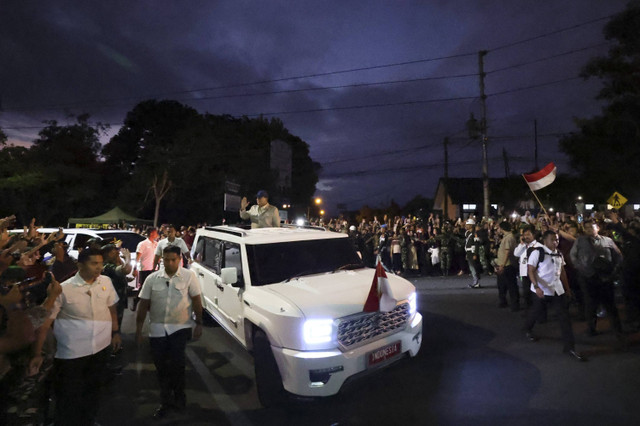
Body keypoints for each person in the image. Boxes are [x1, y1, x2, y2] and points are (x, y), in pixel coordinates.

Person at [30, 247, 122, 425]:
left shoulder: (106, 281)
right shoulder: (64, 289)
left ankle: (89, 420)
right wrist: (37, 353)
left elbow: (111, 308)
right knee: (69, 397)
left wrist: (115, 332)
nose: (99, 268)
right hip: (72, 355)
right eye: (94, 263)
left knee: (93, 392)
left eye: (101, 263)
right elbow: (45, 323)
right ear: (80, 265)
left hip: (100, 349)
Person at [135, 245, 203, 419]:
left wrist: (199, 324)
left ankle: (180, 400)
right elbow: (143, 304)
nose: (170, 263)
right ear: (162, 259)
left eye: (173, 259)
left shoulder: (189, 277)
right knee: (161, 368)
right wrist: (139, 329)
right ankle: (165, 402)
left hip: (180, 328)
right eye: (166, 259)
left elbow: (196, 300)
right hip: (157, 330)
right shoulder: (152, 279)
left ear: (179, 259)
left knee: (177, 366)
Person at [524, 230, 586, 362]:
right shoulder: (537, 252)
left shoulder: (559, 254)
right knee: (536, 312)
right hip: (541, 290)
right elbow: (531, 270)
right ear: (545, 240)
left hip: (557, 290)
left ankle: (570, 347)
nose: (555, 242)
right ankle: (528, 328)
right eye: (553, 239)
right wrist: (536, 286)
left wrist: (567, 289)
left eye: (557, 239)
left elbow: (562, 272)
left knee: (564, 318)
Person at [570, 218, 624, 340]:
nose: (589, 229)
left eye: (592, 227)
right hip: (587, 277)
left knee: (610, 305)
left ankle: (618, 330)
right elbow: (573, 256)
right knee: (590, 304)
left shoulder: (608, 240)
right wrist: (581, 268)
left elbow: (618, 256)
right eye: (587, 227)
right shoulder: (580, 241)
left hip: (605, 277)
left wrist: (613, 271)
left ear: (597, 228)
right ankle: (591, 329)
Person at [514, 225, 543, 310]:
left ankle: (540, 314)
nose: (526, 236)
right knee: (526, 294)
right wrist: (522, 244)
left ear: (534, 235)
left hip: (535, 274)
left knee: (536, 295)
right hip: (524, 273)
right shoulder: (524, 246)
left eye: (528, 234)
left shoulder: (538, 246)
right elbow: (516, 253)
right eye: (524, 235)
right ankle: (529, 312)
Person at [495, 221, 519, 311]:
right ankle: (503, 301)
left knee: (511, 285)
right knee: (502, 284)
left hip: (507, 265)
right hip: (505, 264)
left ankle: (514, 304)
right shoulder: (507, 237)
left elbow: (507, 252)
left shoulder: (508, 238)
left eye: (499, 228)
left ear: (502, 228)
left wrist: (502, 265)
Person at [132, 228, 158, 311]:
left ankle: (148, 306)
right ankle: (136, 301)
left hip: (153, 269)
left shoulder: (156, 244)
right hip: (144, 269)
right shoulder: (142, 244)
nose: (157, 234)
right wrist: (135, 269)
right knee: (143, 287)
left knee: (152, 287)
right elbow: (137, 258)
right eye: (155, 233)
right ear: (151, 234)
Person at [464, 218, 481, 288]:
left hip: (472, 252)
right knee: (471, 267)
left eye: (468, 225)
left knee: (474, 267)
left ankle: (476, 281)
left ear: (471, 225)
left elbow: (476, 244)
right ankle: (475, 281)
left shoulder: (474, 234)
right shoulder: (468, 233)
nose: (466, 226)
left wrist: (475, 254)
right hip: (468, 252)